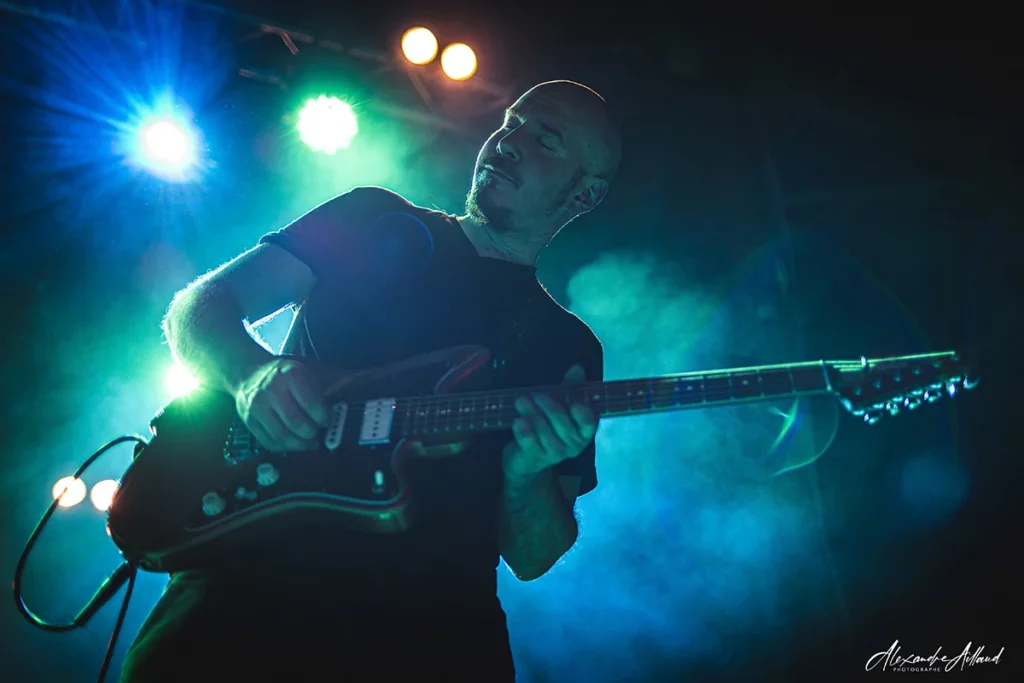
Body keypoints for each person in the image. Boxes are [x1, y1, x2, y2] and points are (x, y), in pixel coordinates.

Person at [120, 80, 622, 682]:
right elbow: (201, 307)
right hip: (245, 595)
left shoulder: (565, 347)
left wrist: (527, 473)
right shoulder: (371, 218)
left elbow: (533, 555)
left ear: (585, 195)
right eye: (511, 122)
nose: (510, 142)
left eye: (545, 139)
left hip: (426, 637)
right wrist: (251, 376)